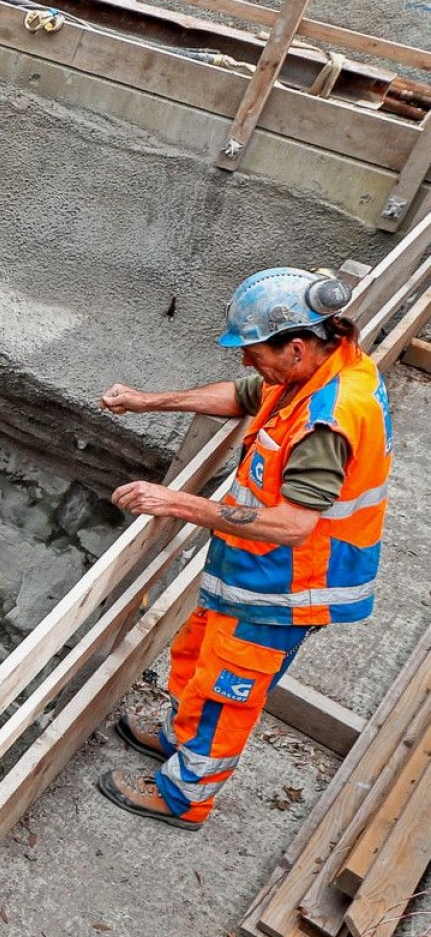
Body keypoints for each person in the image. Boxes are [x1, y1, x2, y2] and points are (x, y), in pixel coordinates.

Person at [96, 266, 390, 829]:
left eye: (254, 350)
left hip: (287, 585)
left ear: (297, 346)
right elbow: (243, 394)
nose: (246, 361)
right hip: (250, 567)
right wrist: (147, 401)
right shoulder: (312, 370)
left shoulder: (330, 418)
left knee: (227, 693)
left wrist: (178, 503)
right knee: (197, 657)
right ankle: (179, 737)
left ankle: (185, 796)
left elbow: (290, 525)